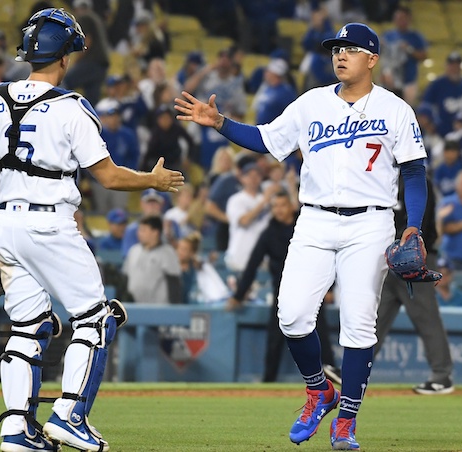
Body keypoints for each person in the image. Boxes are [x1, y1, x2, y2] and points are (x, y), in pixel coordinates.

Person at [175, 22, 430, 450]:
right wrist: (220, 122)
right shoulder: (311, 103)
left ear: (372, 59)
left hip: (370, 222)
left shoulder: (396, 109)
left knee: (358, 324)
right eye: (336, 49)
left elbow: (415, 172)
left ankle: (346, 418)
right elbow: (267, 139)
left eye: (350, 49)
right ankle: (319, 390)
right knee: (292, 316)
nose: (340, 55)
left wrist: (413, 225)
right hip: (313, 218)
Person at [0, 8, 183, 452]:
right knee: (97, 321)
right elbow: (110, 177)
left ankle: (18, 432)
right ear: (65, 57)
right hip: (50, 223)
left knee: (27, 327)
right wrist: (153, 181)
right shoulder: (71, 108)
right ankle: (69, 416)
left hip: (4, 223)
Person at [227, 190, 341, 384]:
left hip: (310, 288)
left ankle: (331, 374)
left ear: (290, 206)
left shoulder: (304, 227)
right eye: (275, 206)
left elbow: (329, 254)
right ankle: (268, 382)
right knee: (274, 340)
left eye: (282, 205)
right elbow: (252, 265)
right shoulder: (268, 234)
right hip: (282, 292)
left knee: (320, 333)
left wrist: (330, 289)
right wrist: (238, 295)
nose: (279, 210)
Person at [375, 177, 455, 395]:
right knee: (373, 318)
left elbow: (421, 225)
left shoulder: (416, 179)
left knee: (426, 317)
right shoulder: (378, 176)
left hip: (413, 260)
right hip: (384, 260)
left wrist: (410, 254)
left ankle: (442, 375)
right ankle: (353, 370)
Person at [123, 215, 181, 304]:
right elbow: (125, 278)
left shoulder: (168, 252)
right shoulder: (133, 250)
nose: (139, 233)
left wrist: (174, 310)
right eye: (139, 230)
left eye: (143, 230)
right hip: (133, 308)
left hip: (158, 310)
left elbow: (174, 284)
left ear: (155, 232)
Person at [421, 52, 462, 138]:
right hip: (440, 134)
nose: (454, 68)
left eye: (457, 65)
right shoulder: (437, 85)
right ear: (447, 66)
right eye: (452, 65)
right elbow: (425, 106)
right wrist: (430, 124)